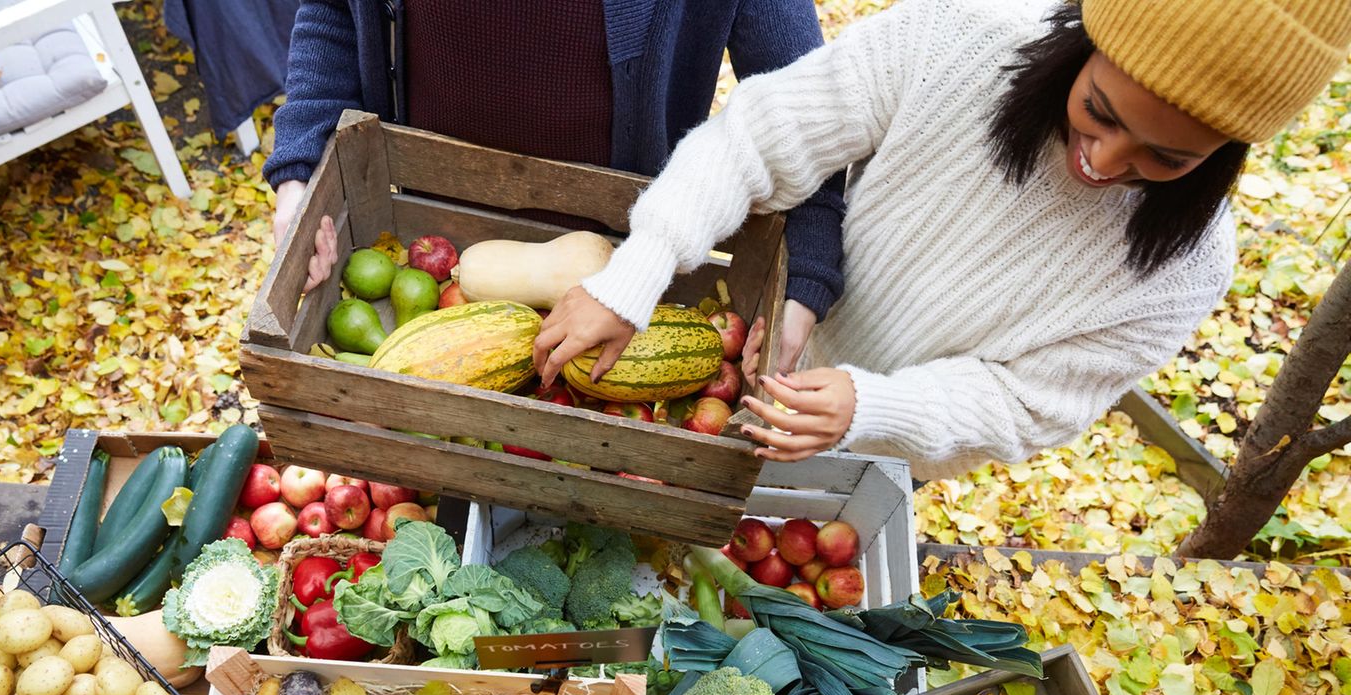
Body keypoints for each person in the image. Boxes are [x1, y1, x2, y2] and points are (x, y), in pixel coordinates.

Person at [533, 0, 1351, 479]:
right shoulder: (959, 40)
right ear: (1086, 43)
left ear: (1228, 153)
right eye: (1100, 111)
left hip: (878, 448)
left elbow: (1029, 405)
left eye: (1165, 158)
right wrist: (634, 274)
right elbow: (753, 141)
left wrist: (872, 406)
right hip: (752, 355)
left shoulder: (1185, 270)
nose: (1104, 161)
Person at [263, 0, 847, 371]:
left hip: (622, 288)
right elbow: (335, 14)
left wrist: (807, 275)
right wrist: (300, 175)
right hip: (419, 263)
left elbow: (806, 107)